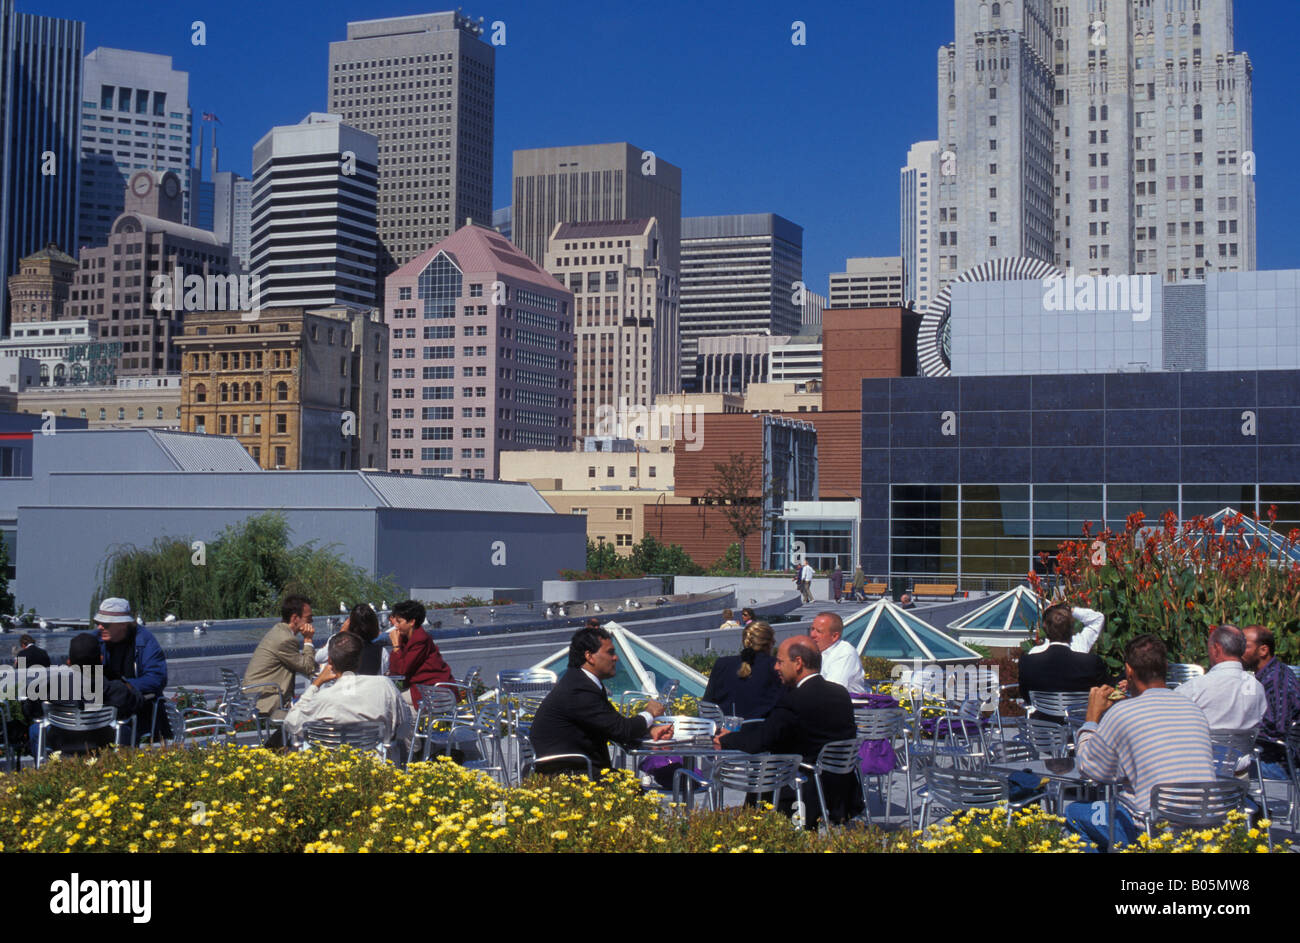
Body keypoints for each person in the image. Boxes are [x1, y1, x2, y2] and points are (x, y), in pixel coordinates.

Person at [1065, 634, 1215, 852]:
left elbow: (1091, 769)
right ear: (1165, 666)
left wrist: (1091, 719)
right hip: (1203, 824)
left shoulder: (1123, 712)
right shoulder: (1193, 709)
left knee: (1075, 813)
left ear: (1129, 670)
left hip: (1153, 828)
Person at [715, 636, 863, 828]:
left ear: (798, 663)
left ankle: (750, 825)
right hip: (839, 790)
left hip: (801, 792)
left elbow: (763, 740)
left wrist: (726, 740)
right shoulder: (840, 694)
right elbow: (779, 728)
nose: (776, 667)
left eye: (780, 661)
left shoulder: (795, 700)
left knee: (764, 774)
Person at [529, 625, 672, 773]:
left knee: (638, 788)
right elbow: (621, 730)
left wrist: (649, 731)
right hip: (571, 776)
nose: (615, 657)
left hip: (577, 770)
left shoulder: (580, 682)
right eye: (610, 652)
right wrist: (650, 712)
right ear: (589, 656)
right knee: (641, 790)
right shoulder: (579, 689)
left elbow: (612, 727)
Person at [282, 632, 413, 747]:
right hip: (377, 766)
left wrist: (316, 684)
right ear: (359, 659)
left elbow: (291, 723)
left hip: (334, 768)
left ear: (330, 661)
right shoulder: (384, 686)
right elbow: (404, 728)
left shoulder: (323, 698)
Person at [30, 632, 144, 755]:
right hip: (103, 744)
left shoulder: (49, 687)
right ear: (101, 659)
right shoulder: (115, 689)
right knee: (128, 729)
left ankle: (42, 767)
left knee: (35, 729)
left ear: (69, 662)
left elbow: (29, 709)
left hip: (61, 742)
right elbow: (137, 703)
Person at [1017, 603, 1110, 720]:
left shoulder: (1028, 661)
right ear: (1072, 630)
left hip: (1044, 729)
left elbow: (1027, 696)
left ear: (1045, 628)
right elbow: (1103, 692)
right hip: (1079, 727)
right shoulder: (1092, 662)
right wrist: (1070, 609)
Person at [95, 597, 167, 743]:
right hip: (102, 708)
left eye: (105, 624)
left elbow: (156, 678)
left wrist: (122, 686)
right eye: (98, 623)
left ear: (123, 624)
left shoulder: (145, 641)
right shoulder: (95, 639)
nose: (99, 627)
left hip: (138, 710)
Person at [1175, 624, 1267, 731]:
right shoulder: (1257, 687)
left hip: (1207, 747)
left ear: (1216, 649)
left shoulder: (1195, 688)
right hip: (1244, 747)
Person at [244, 594, 317, 718]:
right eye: (308, 618)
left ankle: (282, 738)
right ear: (295, 618)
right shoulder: (285, 639)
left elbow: (303, 662)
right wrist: (308, 639)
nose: (312, 622)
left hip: (257, 695)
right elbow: (308, 667)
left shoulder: (280, 631)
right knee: (312, 715)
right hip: (265, 700)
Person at [1242, 624, 1300, 779]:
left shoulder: (1276, 681)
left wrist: (1236, 728)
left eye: (1245, 646)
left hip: (1278, 765)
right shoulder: (1259, 676)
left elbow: (1276, 729)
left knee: (1220, 770)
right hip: (1264, 757)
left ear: (1263, 650)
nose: (1239, 651)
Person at [702, 621, 783, 719]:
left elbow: (706, 705)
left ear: (744, 641)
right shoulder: (776, 667)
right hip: (762, 731)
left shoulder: (722, 665)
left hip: (725, 731)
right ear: (771, 643)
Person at [386, 599, 454, 708]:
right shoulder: (406, 638)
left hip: (432, 690)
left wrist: (396, 646)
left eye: (399, 622)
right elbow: (395, 670)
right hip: (422, 687)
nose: (396, 626)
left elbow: (402, 670)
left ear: (412, 622)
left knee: (388, 699)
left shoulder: (420, 640)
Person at [314, 604, 388, 676]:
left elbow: (319, 658)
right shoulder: (382, 652)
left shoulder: (340, 646)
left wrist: (341, 634)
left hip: (344, 687)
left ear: (350, 624)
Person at [809, 612, 867, 695]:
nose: (812, 635)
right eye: (812, 629)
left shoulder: (844, 653)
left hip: (848, 705)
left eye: (819, 631)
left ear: (834, 636)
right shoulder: (816, 652)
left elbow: (832, 690)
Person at [1025, 602, 1104, 654]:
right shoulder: (1079, 645)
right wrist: (1070, 609)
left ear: (1045, 628)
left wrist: (1052, 612)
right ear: (1071, 628)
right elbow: (1098, 618)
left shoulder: (1035, 653)